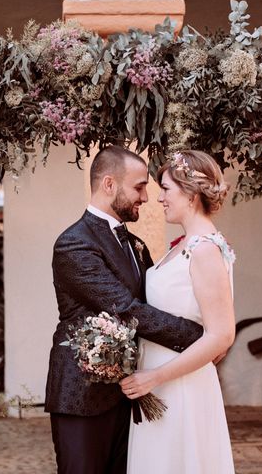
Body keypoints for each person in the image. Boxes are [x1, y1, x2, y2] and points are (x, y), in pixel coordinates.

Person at [45, 145, 204, 474]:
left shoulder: (134, 243)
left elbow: (151, 301)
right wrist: (200, 337)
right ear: (108, 184)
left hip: (126, 394)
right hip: (82, 396)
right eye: (139, 186)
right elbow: (129, 310)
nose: (146, 198)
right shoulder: (74, 243)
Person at [121, 149, 236, 473]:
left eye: (167, 189)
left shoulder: (205, 250)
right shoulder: (186, 245)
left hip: (179, 385)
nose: (160, 198)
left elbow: (222, 333)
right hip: (159, 379)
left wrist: (155, 376)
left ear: (190, 193)